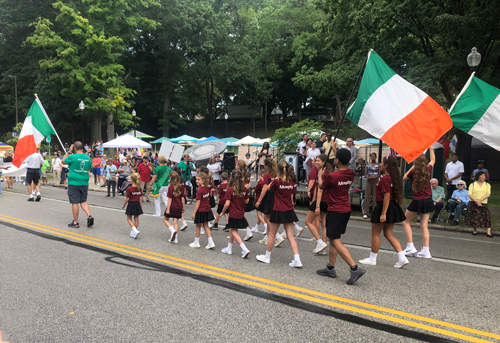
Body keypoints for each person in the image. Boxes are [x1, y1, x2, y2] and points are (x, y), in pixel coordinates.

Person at [317, 149, 366, 284]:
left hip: (335, 210)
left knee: (334, 240)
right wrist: (334, 148)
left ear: (337, 160)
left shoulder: (333, 176)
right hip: (345, 209)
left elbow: (322, 186)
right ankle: (330, 267)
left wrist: (320, 175)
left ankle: (354, 268)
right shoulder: (350, 173)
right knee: (335, 238)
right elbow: (343, 161)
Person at [359, 156, 408, 268]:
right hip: (392, 205)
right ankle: (402, 257)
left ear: (386, 165)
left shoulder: (386, 178)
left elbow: (386, 196)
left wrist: (383, 213)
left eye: (382, 163)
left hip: (384, 206)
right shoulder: (394, 178)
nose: (380, 164)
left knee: (375, 232)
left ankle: (372, 258)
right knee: (388, 233)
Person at [256, 160, 302, 267]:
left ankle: (267, 257)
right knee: (290, 235)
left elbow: (268, 188)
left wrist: (275, 179)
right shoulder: (291, 182)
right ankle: (297, 259)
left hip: (278, 209)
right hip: (289, 209)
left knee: (272, 234)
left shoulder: (277, 181)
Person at [402, 148, 435, 259]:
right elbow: (433, 160)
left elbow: (404, 178)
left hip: (417, 200)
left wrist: (413, 166)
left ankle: (410, 246)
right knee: (424, 226)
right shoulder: (428, 169)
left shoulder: (413, 171)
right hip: (428, 200)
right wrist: (430, 148)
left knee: (406, 221)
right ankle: (426, 250)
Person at [220, 170, 251, 258]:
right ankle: (229, 248)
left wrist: (222, 212)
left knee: (233, 231)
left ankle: (244, 249)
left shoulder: (230, 189)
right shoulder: (244, 189)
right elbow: (247, 201)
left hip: (233, 213)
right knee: (232, 231)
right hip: (241, 212)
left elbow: (227, 203)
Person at [62, 142, 94, 228]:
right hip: (84, 182)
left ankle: (75, 222)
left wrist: (69, 151)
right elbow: (89, 167)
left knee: (74, 202)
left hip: (74, 182)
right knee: (83, 201)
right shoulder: (87, 157)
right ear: (83, 148)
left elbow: (63, 161)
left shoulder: (72, 156)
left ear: (75, 148)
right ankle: (89, 215)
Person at [304, 154, 331, 254]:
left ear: (324, 162)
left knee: (308, 222)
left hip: (320, 200)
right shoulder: (329, 172)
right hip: (327, 201)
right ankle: (322, 247)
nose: (316, 162)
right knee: (324, 225)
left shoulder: (322, 173)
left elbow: (320, 190)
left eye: (318, 161)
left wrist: (317, 206)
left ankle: (320, 242)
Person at [254, 158, 279, 246]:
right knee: (270, 217)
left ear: (267, 166)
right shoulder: (276, 174)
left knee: (267, 218)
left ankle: (277, 236)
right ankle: (267, 237)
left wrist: (259, 200)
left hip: (269, 196)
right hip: (276, 195)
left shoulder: (266, 175)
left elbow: (264, 189)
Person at [190, 173, 216, 249]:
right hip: (207, 209)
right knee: (206, 226)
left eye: (199, 179)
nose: (197, 181)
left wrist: (194, 213)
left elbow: (198, 202)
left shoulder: (199, 191)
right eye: (196, 179)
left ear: (203, 181)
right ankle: (211, 242)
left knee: (198, 226)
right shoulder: (207, 188)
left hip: (201, 210)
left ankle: (196, 242)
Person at [464, 171, 493, 237]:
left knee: (487, 217)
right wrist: (476, 201)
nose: (484, 177)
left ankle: (488, 232)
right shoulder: (473, 184)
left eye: (484, 176)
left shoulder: (487, 185)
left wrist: (480, 200)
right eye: (482, 175)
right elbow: (470, 194)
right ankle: (475, 230)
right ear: (479, 176)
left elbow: (488, 194)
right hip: (473, 202)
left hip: (483, 202)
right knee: (474, 216)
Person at [164, 171, 186, 243]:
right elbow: (182, 198)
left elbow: (170, 199)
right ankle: (175, 239)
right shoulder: (181, 187)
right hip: (179, 206)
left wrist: (168, 208)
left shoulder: (170, 187)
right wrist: (183, 207)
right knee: (175, 222)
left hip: (172, 206)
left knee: (165, 219)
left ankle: (172, 230)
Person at [121, 173, 143, 238]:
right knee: (136, 218)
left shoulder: (130, 189)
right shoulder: (139, 188)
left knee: (129, 218)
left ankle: (134, 230)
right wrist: (140, 206)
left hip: (131, 203)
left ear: (132, 180)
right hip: (137, 203)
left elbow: (127, 198)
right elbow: (140, 198)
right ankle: (134, 232)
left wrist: (124, 205)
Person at [363, 153, 380, 218]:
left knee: (374, 197)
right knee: (367, 197)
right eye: (371, 156)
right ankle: (366, 213)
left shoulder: (378, 165)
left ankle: (374, 212)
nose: (372, 158)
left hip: (375, 181)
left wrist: (375, 177)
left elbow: (379, 173)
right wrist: (367, 176)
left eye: (373, 156)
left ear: (376, 157)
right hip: (369, 181)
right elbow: (365, 173)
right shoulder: (368, 165)